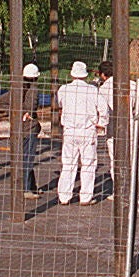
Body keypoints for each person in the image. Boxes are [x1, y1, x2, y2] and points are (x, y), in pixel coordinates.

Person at [96, 60, 139, 202]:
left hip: (114, 126)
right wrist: (137, 108)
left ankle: (121, 191)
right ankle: (138, 191)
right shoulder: (131, 84)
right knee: (133, 159)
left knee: (116, 160)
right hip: (132, 123)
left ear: (102, 75)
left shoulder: (103, 90)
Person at [55, 61, 99, 205]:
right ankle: (85, 197)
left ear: (72, 74)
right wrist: (101, 123)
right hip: (87, 130)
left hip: (70, 131)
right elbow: (103, 109)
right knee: (88, 164)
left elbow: (59, 104)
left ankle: (64, 196)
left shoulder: (63, 89)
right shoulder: (92, 90)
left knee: (68, 164)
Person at [20, 63, 42, 198]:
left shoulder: (18, 87)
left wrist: (16, 114)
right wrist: (27, 113)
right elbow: (32, 107)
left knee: (26, 156)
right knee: (28, 157)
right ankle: (26, 189)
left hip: (20, 127)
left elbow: (2, 101)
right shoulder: (33, 90)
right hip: (29, 128)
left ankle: (32, 187)